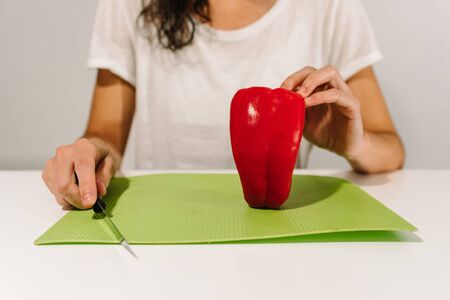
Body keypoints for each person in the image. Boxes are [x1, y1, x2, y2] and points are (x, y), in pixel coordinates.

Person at [42, 0, 405, 210]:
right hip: (162, 224)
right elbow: (106, 133)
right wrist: (92, 155)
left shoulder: (328, 6)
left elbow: (390, 150)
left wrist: (354, 144)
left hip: (277, 242)